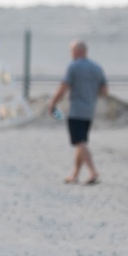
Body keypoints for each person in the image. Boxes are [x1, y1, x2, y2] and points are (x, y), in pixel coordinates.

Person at [48, 39, 107, 185]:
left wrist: (52, 103)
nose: (70, 53)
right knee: (81, 142)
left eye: (71, 50)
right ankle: (74, 175)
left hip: (76, 110)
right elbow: (104, 91)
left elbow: (63, 87)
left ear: (78, 51)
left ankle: (93, 171)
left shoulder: (73, 67)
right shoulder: (96, 67)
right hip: (90, 110)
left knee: (79, 142)